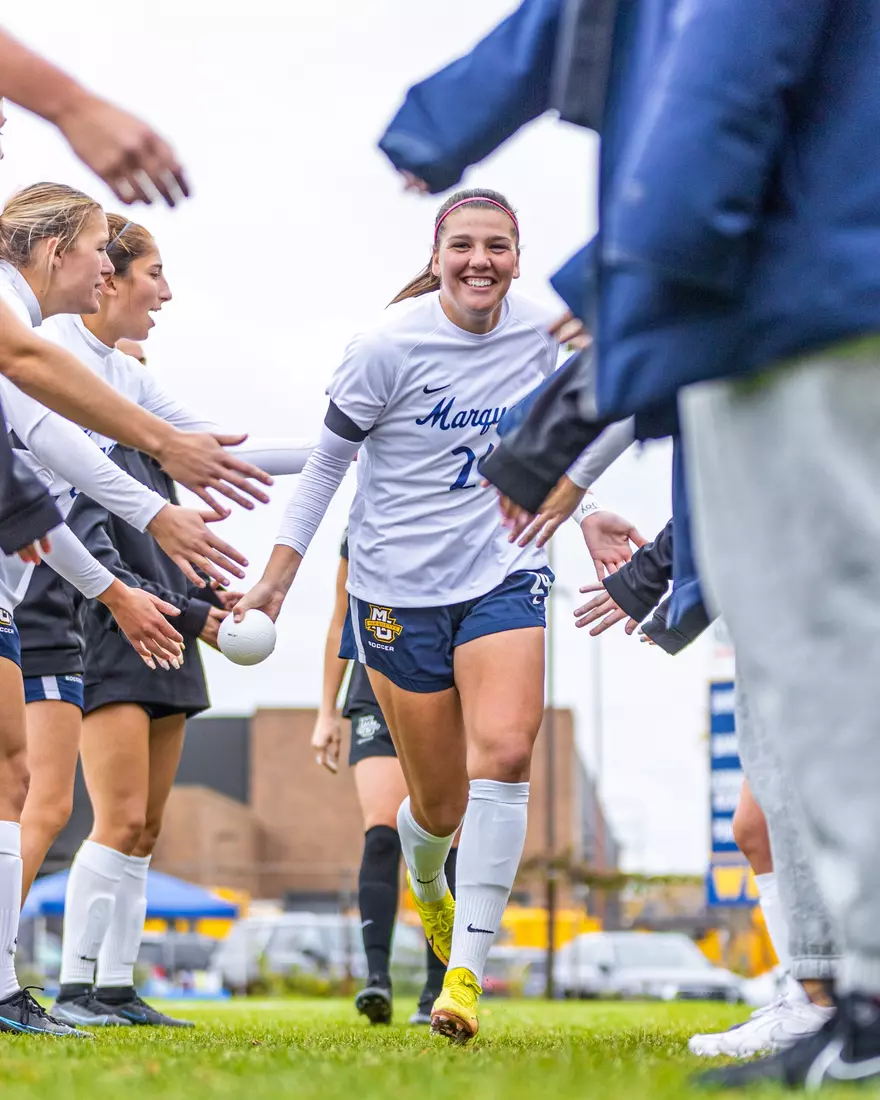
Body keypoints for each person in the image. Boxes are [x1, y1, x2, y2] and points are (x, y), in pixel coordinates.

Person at [233, 187, 641, 1043]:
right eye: (463, 245)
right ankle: (429, 876)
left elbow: (579, 428)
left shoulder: (544, 334)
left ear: (520, 257)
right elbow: (323, 467)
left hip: (506, 569)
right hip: (394, 591)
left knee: (506, 751)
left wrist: (586, 504)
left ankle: (465, 975)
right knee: (439, 806)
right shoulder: (387, 346)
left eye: (498, 245)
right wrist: (276, 579)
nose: (480, 261)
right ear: (436, 254)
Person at [7, 214, 312, 1026]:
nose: (164, 292)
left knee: (125, 820)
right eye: (144, 269)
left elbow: (204, 445)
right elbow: (76, 481)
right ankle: (48, 984)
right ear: (96, 272)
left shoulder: (118, 372)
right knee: (38, 800)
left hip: (95, 593)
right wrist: (168, 598)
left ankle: (103, 988)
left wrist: (352, 437)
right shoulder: (50, 349)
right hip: (70, 594)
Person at [312, 531, 456, 1027]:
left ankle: (439, 989)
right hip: (376, 680)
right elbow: (339, 620)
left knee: (443, 836)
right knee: (381, 832)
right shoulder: (363, 523)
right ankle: (378, 980)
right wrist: (327, 713)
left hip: (447, 674)